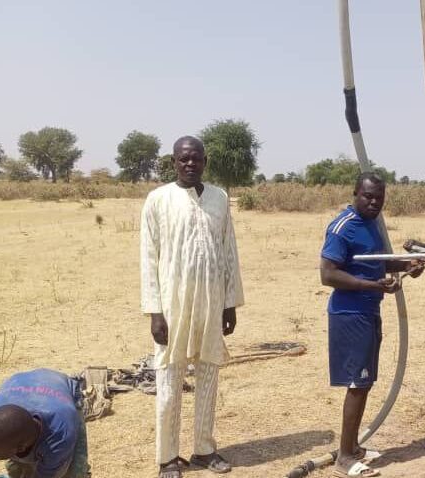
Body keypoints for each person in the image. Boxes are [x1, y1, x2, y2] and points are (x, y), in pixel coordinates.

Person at [141, 136, 244, 478]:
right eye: (183, 159)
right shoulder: (158, 200)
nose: (189, 164)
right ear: (174, 162)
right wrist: (155, 310)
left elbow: (228, 251)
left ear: (204, 161)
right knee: (169, 382)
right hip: (173, 305)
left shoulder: (219, 197)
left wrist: (229, 304)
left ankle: (204, 448)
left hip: (212, 303)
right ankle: (167, 457)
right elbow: (149, 258)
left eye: (195, 158)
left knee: (209, 377)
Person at [320, 172, 424, 478]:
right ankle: (343, 459)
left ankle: (353, 448)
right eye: (368, 196)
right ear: (355, 194)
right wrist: (372, 286)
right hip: (349, 314)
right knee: (357, 384)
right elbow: (327, 274)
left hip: (368, 311)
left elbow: (376, 261)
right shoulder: (343, 227)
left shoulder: (372, 224)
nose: (374, 201)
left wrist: (407, 265)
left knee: (364, 384)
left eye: (379, 197)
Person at [0, 369, 91, 478]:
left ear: (21, 447)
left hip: (58, 385)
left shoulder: (61, 434)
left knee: (75, 472)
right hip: (20, 382)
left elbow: (49, 474)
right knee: (17, 470)